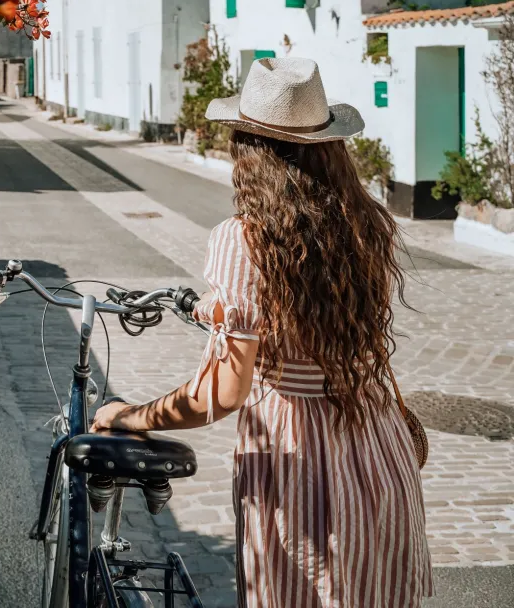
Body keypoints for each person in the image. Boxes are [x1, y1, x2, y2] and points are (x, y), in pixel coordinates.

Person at [91, 57, 432, 607]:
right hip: (378, 455)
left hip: (301, 468)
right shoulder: (367, 226)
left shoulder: (245, 241)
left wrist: (129, 415)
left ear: (251, 153)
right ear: (330, 148)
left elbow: (222, 394)